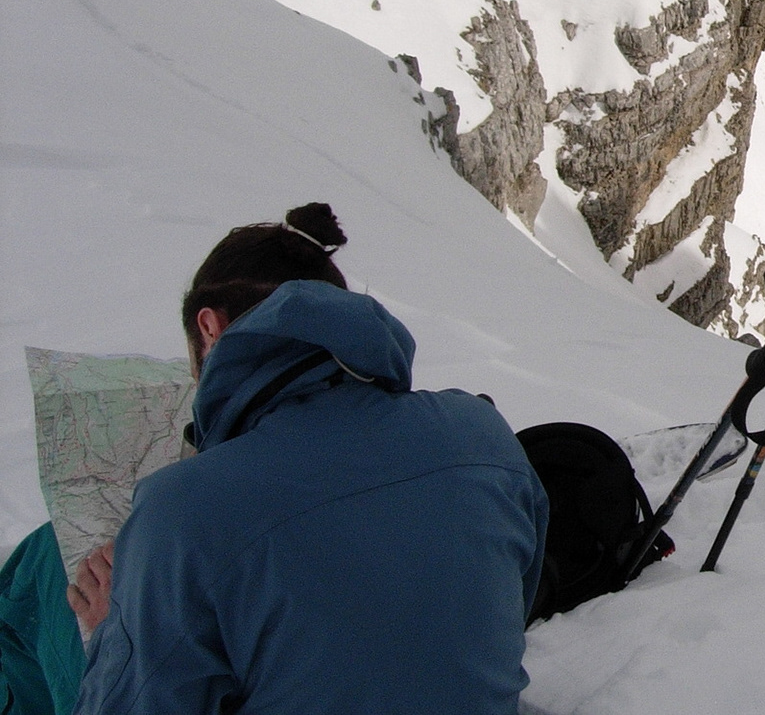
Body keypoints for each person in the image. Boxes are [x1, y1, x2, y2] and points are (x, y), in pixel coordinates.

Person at [64, 204, 548, 714]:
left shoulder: (180, 509)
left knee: (34, 596)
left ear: (210, 328)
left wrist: (112, 635)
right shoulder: (483, 437)